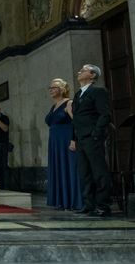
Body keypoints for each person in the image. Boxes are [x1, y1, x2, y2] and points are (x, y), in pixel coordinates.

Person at [69, 64, 112, 217]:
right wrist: (74, 138)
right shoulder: (78, 94)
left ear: (92, 75)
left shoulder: (98, 91)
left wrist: (96, 134)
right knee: (84, 173)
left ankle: (103, 205)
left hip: (92, 138)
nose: (79, 71)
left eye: (84, 69)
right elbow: (77, 120)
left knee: (99, 172)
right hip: (81, 139)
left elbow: (105, 114)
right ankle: (89, 204)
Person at [45, 78, 83, 210]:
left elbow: (76, 122)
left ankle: (73, 201)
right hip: (55, 142)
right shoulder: (53, 106)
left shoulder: (69, 103)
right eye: (50, 88)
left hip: (66, 140)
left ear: (62, 89)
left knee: (69, 168)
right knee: (59, 168)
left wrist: (74, 139)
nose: (51, 90)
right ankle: (62, 200)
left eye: (54, 87)